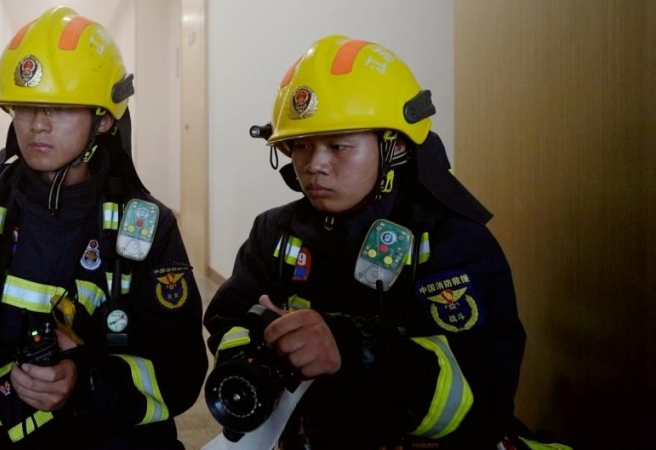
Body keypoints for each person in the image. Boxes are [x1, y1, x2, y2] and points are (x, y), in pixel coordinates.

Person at [0, 7, 207, 449]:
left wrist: (84, 383)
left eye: (60, 107)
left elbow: (181, 376)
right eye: (25, 106)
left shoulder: (144, 227)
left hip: (99, 433)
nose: (37, 124)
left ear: (104, 119)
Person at [204, 35, 527, 448]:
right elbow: (228, 319)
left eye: (339, 146)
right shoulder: (274, 233)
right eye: (300, 145)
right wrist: (251, 355)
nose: (314, 165)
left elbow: (483, 399)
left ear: (394, 145)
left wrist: (358, 350)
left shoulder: (452, 242)